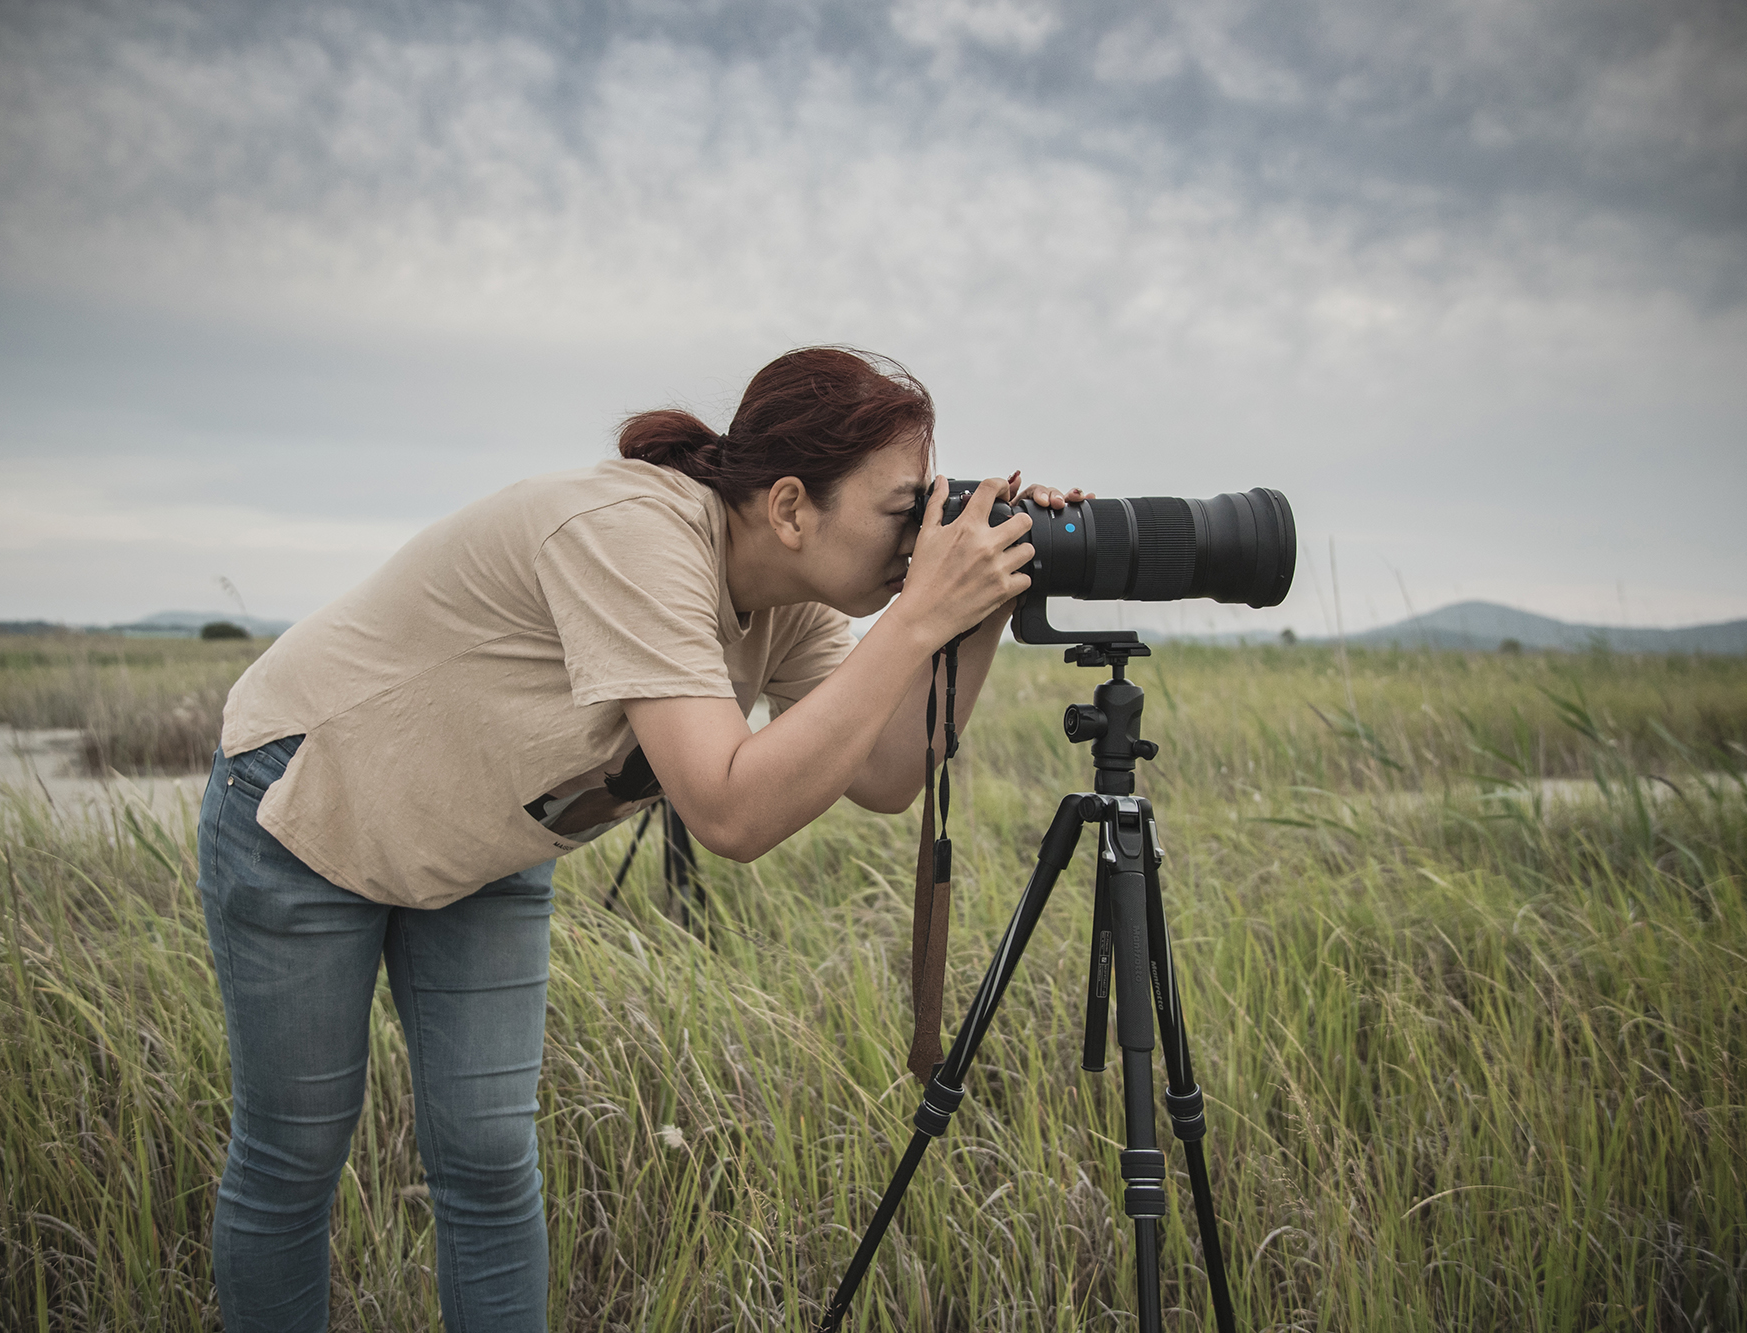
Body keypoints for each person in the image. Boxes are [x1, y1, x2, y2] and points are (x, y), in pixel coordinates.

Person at [195, 346, 1087, 1331]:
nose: (917, 540)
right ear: (789, 506)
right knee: (296, 1152)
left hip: (482, 841)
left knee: (489, 1159)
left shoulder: (783, 596)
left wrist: (981, 608)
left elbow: (881, 771)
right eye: (901, 512)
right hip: (312, 795)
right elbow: (728, 811)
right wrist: (918, 617)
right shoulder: (635, 533)